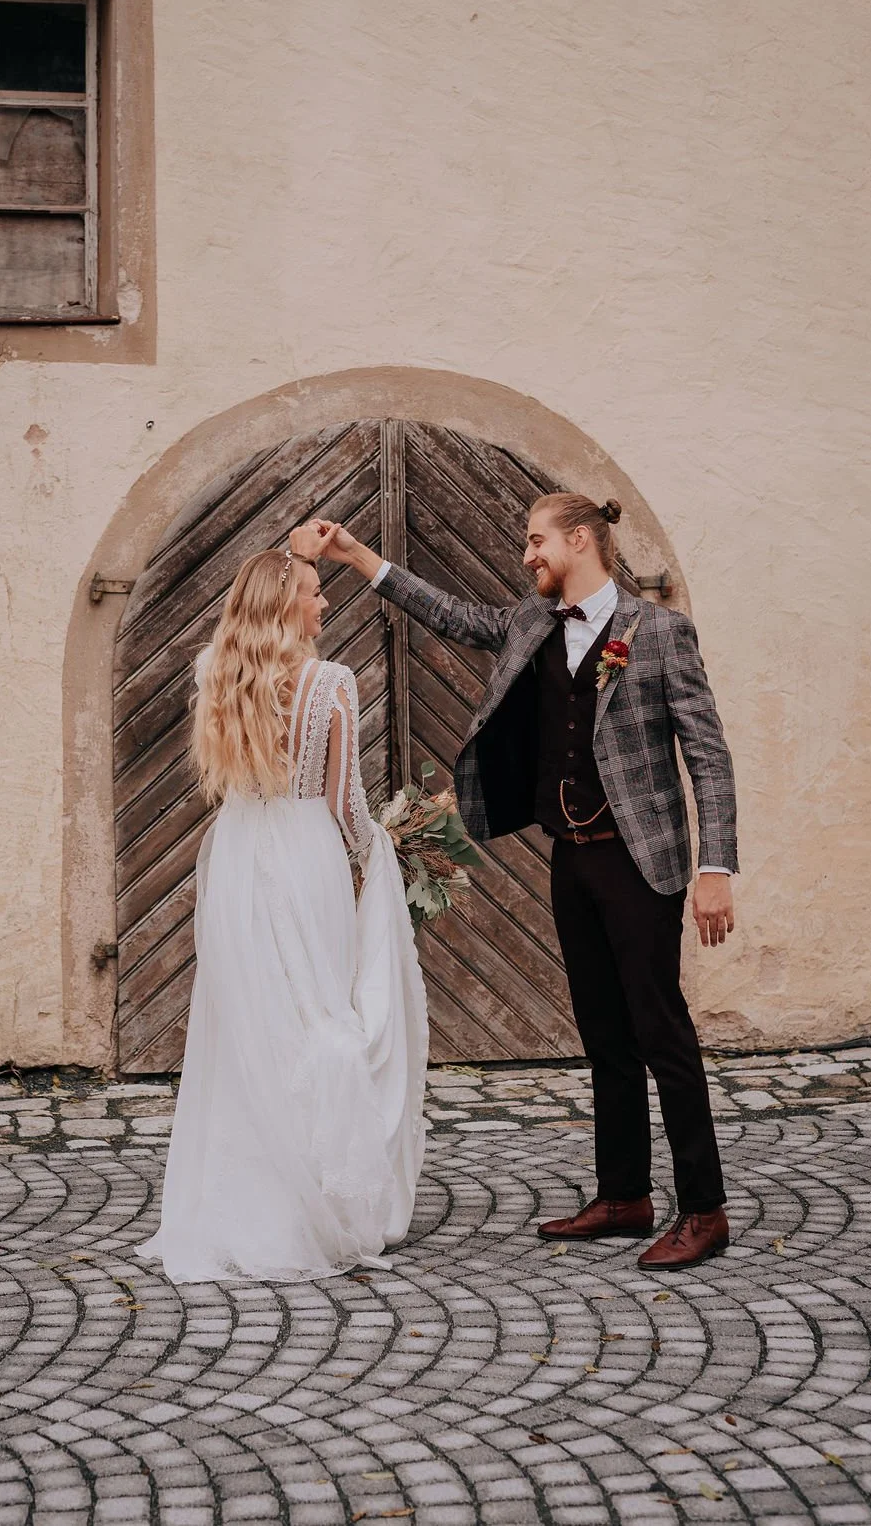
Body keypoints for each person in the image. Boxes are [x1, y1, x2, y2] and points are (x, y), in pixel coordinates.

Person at [307, 495, 738, 1270]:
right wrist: (357, 557)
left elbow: (707, 755)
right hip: (571, 854)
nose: (528, 555)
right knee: (602, 1032)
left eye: (536, 541)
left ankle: (705, 1209)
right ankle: (625, 1195)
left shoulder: (663, 633)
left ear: (580, 540)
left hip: (642, 859)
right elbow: (446, 613)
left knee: (660, 1032)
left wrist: (716, 869)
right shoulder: (532, 623)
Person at [137, 537, 429, 1283]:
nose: (324, 602)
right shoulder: (332, 682)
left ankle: (241, 1197)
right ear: (284, 603)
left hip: (237, 853)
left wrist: (297, 549)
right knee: (315, 1013)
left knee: (248, 1024)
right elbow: (343, 801)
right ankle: (313, 1204)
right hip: (305, 856)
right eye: (313, 591)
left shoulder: (217, 672)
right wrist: (380, 849)